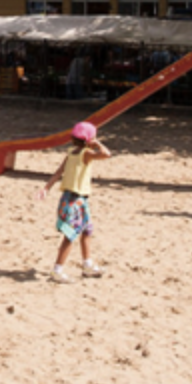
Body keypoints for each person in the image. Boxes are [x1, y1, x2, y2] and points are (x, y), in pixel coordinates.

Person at [37, 121, 112, 283]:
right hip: (76, 200)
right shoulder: (86, 154)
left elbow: (58, 172)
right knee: (70, 236)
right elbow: (107, 154)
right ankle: (57, 269)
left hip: (73, 199)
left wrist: (47, 188)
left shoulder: (71, 152)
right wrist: (98, 144)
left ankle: (87, 264)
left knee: (86, 231)